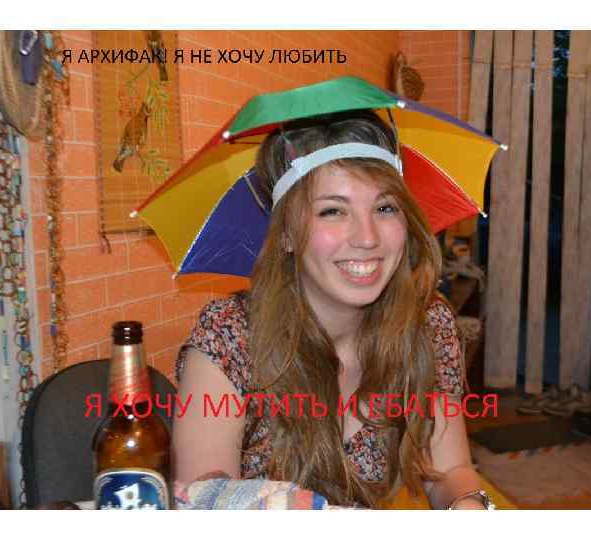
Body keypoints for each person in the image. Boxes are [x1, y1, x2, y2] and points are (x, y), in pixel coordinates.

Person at [172, 109, 487, 510]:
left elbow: (451, 469)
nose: (367, 238)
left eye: (385, 208)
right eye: (332, 210)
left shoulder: (427, 325)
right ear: (287, 234)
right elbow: (206, 504)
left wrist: (467, 504)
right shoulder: (229, 337)